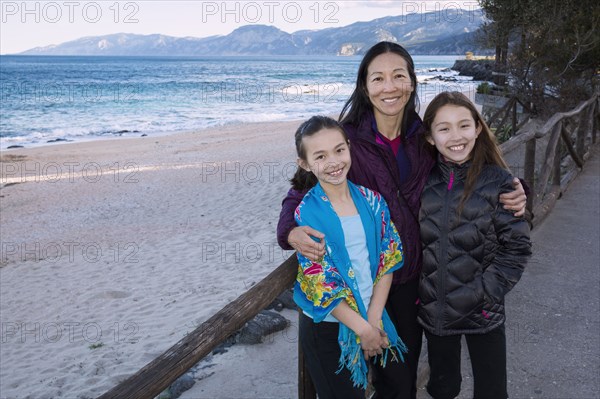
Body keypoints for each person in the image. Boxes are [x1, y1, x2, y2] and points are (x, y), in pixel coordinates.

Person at [277, 41, 527, 398]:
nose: (389, 86)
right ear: (365, 86)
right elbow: (300, 190)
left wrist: (519, 189)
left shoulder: (423, 136)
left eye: (398, 76)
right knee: (349, 381)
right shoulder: (346, 139)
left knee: (399, 383)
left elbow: (469, 169)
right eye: (378, 78)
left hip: (413, 281)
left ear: (412, 82)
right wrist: (290, 230)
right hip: (361, 282)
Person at [418, 91, 532, 399]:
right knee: (443, 387)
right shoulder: (422, 180)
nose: (456, 136)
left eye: (464, 125)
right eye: (444, 128)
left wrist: (484, 291)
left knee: (492, 389)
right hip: (435, 310)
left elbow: (516, 248)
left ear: (478, 128)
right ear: (430, 137)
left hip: (484, 309)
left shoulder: (499, 182)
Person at [291, 115, 407, 399]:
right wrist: (362, 329)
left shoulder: (372, 200)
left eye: (339, 150)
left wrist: (374, 319)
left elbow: (387, 259)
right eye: (320, 156)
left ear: (349, 148)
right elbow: (322, 283)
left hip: (373, 315)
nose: (333, 162)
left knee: (396, 385)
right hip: (329, 328)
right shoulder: (307, 214)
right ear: (305, 164)